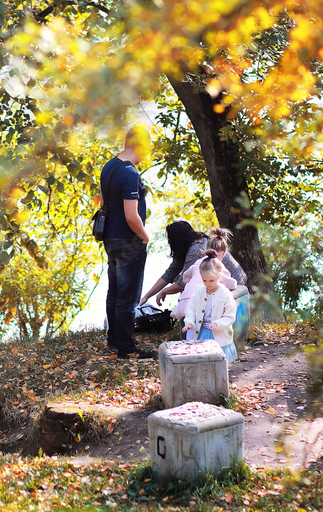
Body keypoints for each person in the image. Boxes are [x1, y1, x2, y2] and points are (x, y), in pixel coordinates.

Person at [101, 127, 153, 360]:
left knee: (115, 290)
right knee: (128, 295)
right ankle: (126, 348)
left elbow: (103, 201)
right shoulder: (130, 174)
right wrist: (144, 235)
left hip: (110, 237)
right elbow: (132, 216)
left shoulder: (109, 166)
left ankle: (115, 339)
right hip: (128, 240)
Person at [141, 222, 247, 307]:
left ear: (177, 240)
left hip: (233, 282)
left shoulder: (197, 249)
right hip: (217, 283)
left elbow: (182, 284)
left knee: (188, 293)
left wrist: (164, 292)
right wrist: (146, 296)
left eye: (170, 239)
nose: (169, 242)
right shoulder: (185, 249)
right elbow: (168, 275)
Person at [181, 251, 238, 361]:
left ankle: (220, 377)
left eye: (212, 280)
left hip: (218, 332)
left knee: (218, 360)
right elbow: (191, 309)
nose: (208, 284)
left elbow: (230, 316)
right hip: (201, 331)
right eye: (204, 280)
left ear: (219, 276)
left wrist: (218, 323)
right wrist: (189, 322)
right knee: (202, 359)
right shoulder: (199, 292)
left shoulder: (225, 294)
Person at [173, 227, 237, 319]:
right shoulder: (217, 264)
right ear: (222, 253)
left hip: (185, 300)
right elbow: (231, 284)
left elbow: (185, 277)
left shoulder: (199, 262)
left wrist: (191, 281)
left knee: (190, 326)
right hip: (200, 300)